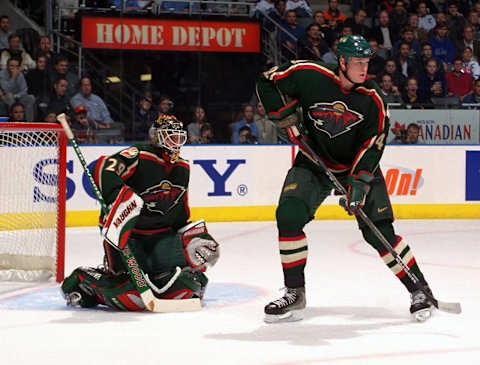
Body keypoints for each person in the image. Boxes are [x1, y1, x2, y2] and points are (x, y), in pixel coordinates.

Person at [256, 34, 436, 323]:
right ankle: (295, 292)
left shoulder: (373, 98)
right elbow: (267, 81)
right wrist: (282, 115)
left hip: (357, 166)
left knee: (378, 232)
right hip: (314, 161)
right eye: (357, 62)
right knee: (288, 216)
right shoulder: (309, 74)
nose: (364, 68)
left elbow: (374, 144)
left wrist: (359, 184)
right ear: (341, 62)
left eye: (367, 62)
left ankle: (419, 289)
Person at [61, 114, 219, 310]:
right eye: (171, 136)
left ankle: (168, 276)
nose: (176, 143)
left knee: (183, 286)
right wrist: (117, 199)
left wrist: (195, 238)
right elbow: (105, 168)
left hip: (161, 238)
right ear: (157, 137)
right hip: (129, 237)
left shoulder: (183, 168)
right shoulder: (139, 155)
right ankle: (81, 279)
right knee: (129, 295)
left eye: (179, 137)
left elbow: (179, 211)